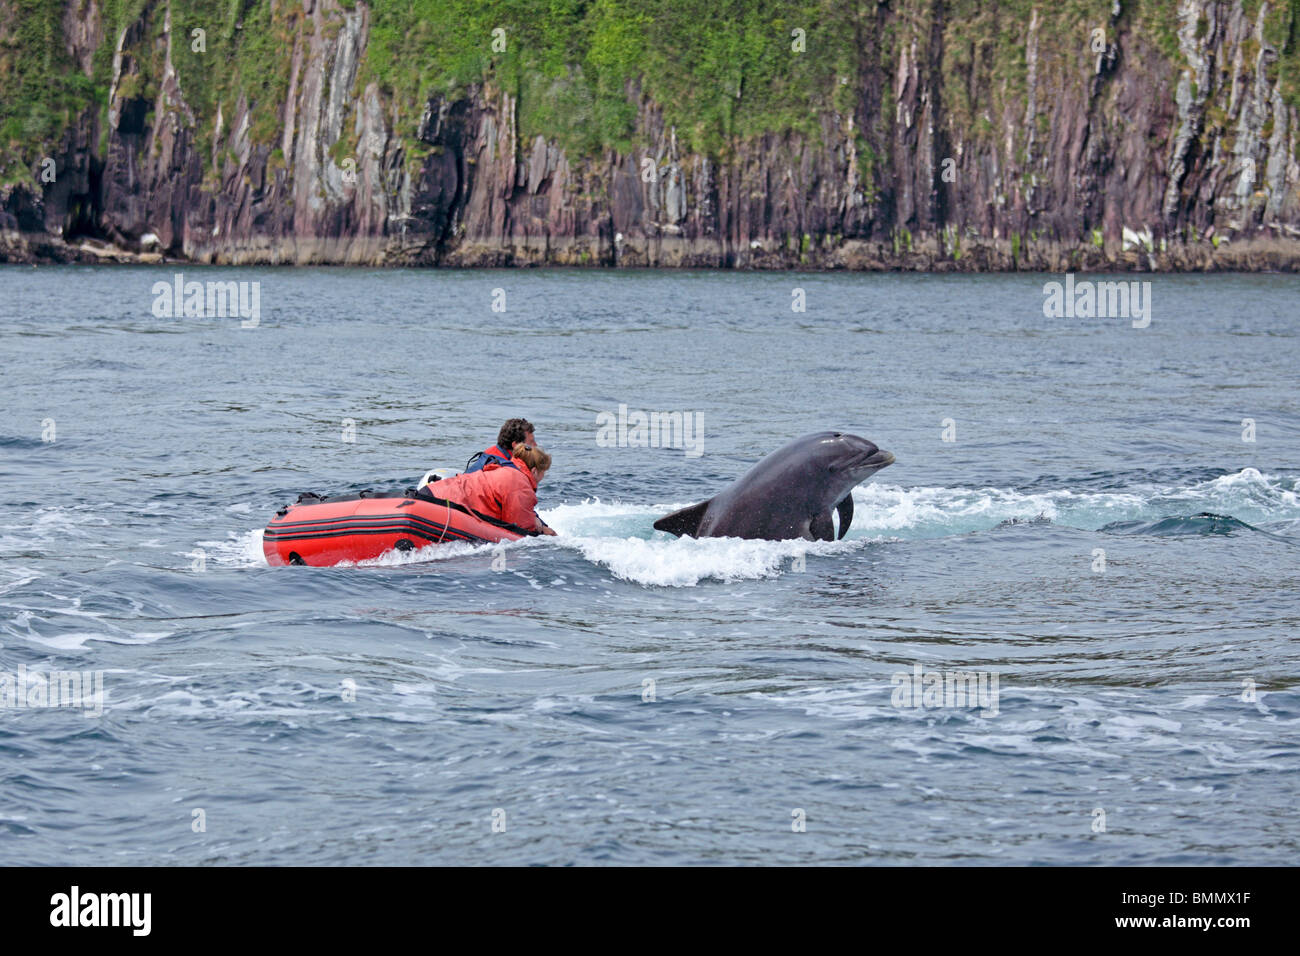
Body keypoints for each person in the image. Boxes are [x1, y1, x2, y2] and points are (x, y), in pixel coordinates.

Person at [432, 443, 557, 535]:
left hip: (433, 494)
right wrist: (539, 528)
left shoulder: (502, 468)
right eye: (543, 473)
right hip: (446, 507)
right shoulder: (521, 485)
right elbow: (522, 530)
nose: (543, 477)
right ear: (534, 471)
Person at [465, 418, 537, 474]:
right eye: (531, 442)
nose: (535, 445)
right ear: (515, 445)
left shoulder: (490, 454)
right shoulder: (498, 467)